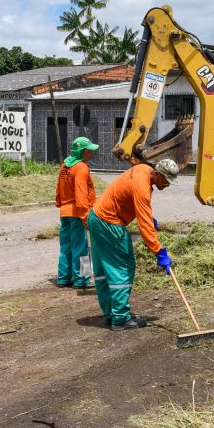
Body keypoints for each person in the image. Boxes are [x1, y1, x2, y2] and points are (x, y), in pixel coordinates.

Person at [88, 159, 179, 331]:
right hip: (109, 223)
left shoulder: (142, 169)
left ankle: (111, 314)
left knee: (104, 269)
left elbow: (130, 196)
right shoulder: (143, 188)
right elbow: (144, 227)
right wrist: (159, 252)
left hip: (96, 217)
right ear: (157, 174)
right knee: (123, 267)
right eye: (166, 181)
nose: (167, 185)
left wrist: (147, 215)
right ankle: (121, 318)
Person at [54, 136, 99, 288]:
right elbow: (80, 193)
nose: (92, 153)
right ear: (82, 152)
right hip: (78, 213)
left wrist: (60, 203)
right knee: (81, 247)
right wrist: (85, 216)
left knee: (65, 246)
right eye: (89, 151)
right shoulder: (81, 168)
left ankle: (63, 278)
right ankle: (82, 279)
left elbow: (59, 190)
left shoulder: (64, 166)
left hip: (65, 213)